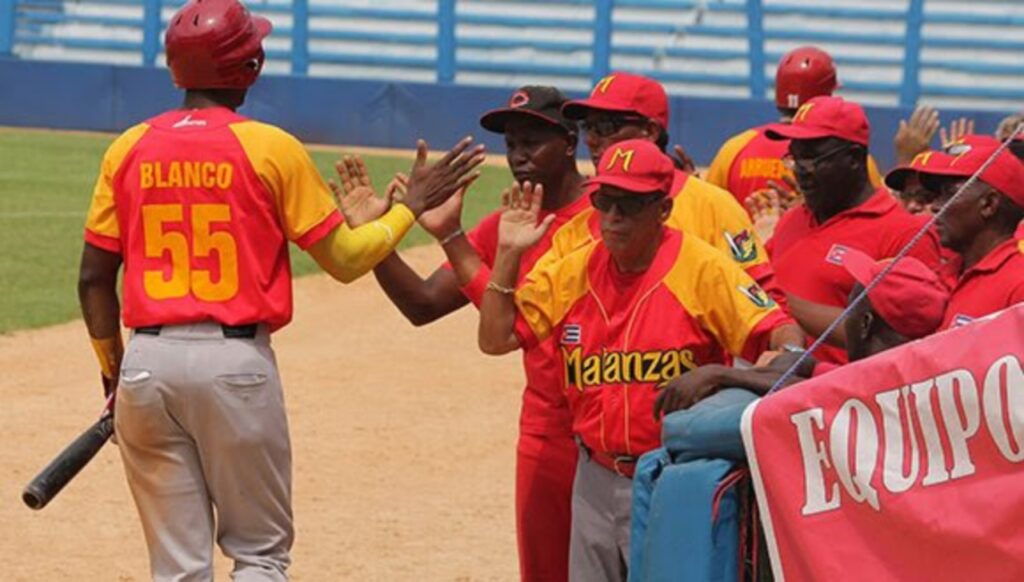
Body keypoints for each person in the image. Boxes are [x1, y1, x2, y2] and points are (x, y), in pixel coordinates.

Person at [76, 0, 482, 578]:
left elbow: (94, 278)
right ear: (252, 65)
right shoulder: (269, 147)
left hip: (145, 364)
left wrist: (114, 373)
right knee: (259, 555)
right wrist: (406, 211)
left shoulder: (128, 147)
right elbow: (345, 260)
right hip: (233, 364)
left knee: (177, 567)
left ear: (174, 69)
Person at [477, 139, 800, 582]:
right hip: (591, 475)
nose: (611, 218)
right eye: (603, 201)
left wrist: (722, 376)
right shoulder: (572, 269)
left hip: (669, 477)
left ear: (663, 210)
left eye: (628, 205)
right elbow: (495, 340)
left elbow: (788, 340)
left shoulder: (703, 269)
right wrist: (508, 256)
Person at [332, 85, 588, 582]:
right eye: (512, 144)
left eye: (533, 141)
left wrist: (453, 240)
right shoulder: (506, 224)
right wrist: (376, 239)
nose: (519, 157)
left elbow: (513, 327)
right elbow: (423, 304)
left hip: (609, 427)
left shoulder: (611, 217)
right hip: (546, 432)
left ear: (570, 141)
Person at [652, 247, 949, 451]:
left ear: (865, 323)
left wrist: (720, 374)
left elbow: (817, 390)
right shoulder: (923, 371)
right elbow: (820, 373)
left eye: (852, 308)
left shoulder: (884, 388)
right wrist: (795, 359)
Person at [556, 71, 791, 309]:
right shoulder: (582, 209)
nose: (591, 140)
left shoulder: (712, 205)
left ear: (650, 131)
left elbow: (762, 298)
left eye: (605, 127)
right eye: (588, 127)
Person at [763, 95, 943, 364]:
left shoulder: (905, 234)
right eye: (795, 158)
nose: (801, 171)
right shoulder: (791, 220)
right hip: (768, 391)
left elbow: (910, 343)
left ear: (855, 158)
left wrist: (774, 300)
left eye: (812, 158)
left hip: (843, 401)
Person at [705, 46, 883, 210]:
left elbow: (709, 211)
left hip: (745, 244)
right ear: (828, 94)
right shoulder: (848, 156)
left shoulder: (735, 148)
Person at [908, 135, 1024, 329]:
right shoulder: (943, 274)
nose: (936, 206)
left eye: (949, 194)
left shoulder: (1018, 285)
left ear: (988, 204)